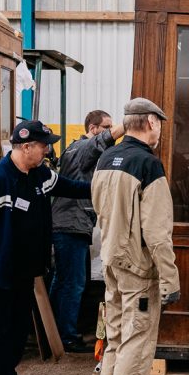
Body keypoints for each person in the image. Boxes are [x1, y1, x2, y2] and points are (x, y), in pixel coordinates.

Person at [0, 120, 92, 375]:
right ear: (26, 147)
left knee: (18, 330)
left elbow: (70, 187)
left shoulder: (38, 174)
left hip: (26, 273)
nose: (47, 150)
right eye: (43, 145)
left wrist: (106, 185)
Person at [91, 98, 180, 375]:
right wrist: (170, 281)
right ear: (150, 123)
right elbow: (158, 232)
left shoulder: (105, 159)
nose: (160, 129)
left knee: (114, 340)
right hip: (139, 271)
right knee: (136, 344)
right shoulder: (148, 164)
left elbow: (99, 211)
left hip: (111, 263)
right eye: (160, 123)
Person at [50, 110, 126, 353]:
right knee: (73, 283)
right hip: (70, 224)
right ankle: (67, 337)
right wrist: (129, 123)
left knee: (63, 281)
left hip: (72, 224)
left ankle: (53, 331)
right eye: (106, 127)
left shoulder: (74, 150)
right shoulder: (82, 148)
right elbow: (100, 143)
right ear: (93, 128)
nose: (109, 131)